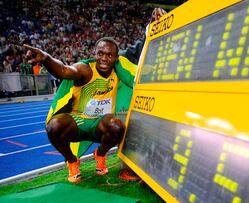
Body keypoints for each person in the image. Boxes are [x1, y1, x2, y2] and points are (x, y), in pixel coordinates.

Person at [23, 7, 166, 183]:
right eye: (100, 54)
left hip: (101, 123)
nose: (104, 59)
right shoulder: (85, 69)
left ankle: (101, 154)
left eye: (109, 55)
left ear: (116, 58)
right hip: (79, 122)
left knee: (118, 126)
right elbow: (64, 70)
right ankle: (72, 160)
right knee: (54, 126)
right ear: (95, 54)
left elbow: (142, 50)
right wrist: (46, 58)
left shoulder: (121, 69)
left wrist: (153, 25)